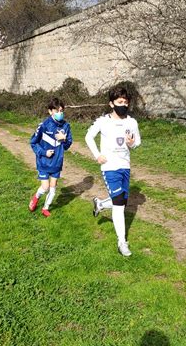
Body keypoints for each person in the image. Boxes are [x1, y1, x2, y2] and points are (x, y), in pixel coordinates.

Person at [85, 85, 141, 256]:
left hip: (125, 166)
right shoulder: (103, 121)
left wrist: (132, 144)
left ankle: (100, 204)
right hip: (109, 167)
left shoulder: (132, 122)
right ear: (111, 104)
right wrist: (97, 155)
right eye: (119, 101)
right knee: (118, 205)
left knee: (121, 202)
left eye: (125, 102)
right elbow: (88, 137)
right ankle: (122, 242)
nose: (122, 104)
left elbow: (137, 142)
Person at [28, 97, 72, 217]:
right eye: (57, 111)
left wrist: (63, 140)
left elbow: (68, 145)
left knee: (53, 188)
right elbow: (33, 142)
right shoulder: (43, 125)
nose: (60, 113)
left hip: (57, 163)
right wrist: (44, 152)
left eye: (61, 111)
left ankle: (45, 208)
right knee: (45, 187)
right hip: (43, 162)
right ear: (50, 111)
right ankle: (36, 198)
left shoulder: (66, 126)